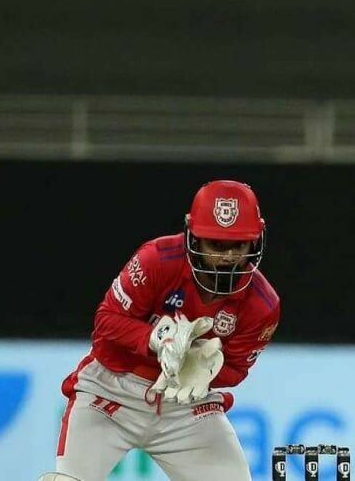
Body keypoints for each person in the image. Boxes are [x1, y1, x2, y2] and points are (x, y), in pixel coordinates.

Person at [48, 179, 280, 481]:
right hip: (111, 391)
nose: (228, 257)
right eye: (217, 245)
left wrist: (200, 367)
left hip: (185, 405)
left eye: (239, 245)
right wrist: (155, 339)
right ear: (194, 238)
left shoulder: (263, 304)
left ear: (255, 242)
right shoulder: (157, 259)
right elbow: (106, 319)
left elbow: (236, 369)